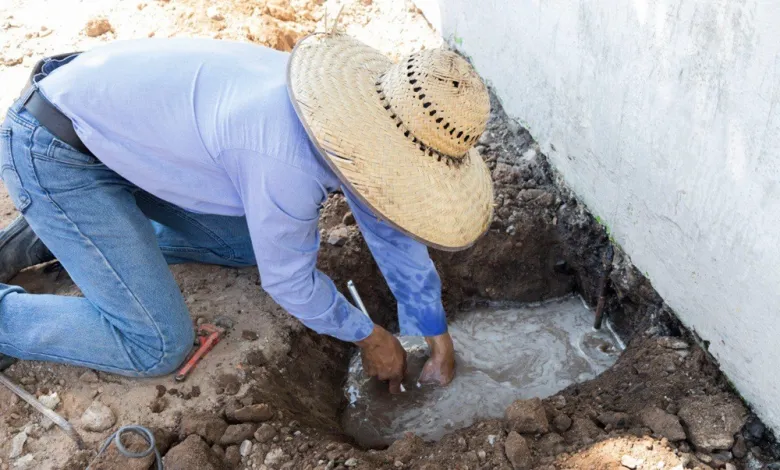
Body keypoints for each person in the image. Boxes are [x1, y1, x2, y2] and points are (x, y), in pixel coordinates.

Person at [0, 34, 493, 392]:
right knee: (156, 345)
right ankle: (55, 237)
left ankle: (74, 232)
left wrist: (435, 332)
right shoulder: (286, 163)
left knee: (243, 246)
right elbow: (289, 283)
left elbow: (389, 228)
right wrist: (370, 336)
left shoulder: (347, 110)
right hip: (57, 150)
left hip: (125, 143)